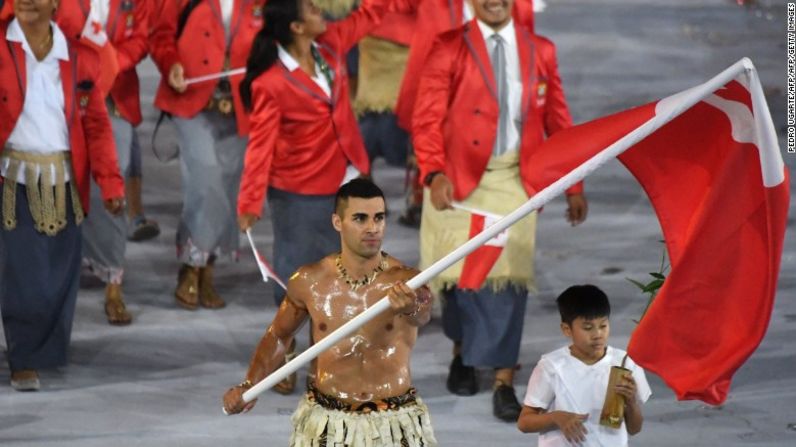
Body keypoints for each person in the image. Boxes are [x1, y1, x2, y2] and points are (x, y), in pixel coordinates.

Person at [411, 0, 588, 421]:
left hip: (514, 181)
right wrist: (433, 172)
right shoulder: (448, 47)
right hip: (455, 180)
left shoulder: (540, 49)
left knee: (507, 280)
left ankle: (505, 379)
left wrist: (574, 184)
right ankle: (462, 356)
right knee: (462, 277)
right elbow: (427, 117)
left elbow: (559, 121)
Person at [224, 179, 437, 447]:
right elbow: (279, 334)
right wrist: (249, 384)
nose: (373, 228)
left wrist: (411, 307)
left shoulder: (408, 281)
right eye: (360, 218)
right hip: (327, 419)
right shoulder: (310, 281)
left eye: (379, 218)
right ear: (338, 222)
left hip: (392, 420)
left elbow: (424, 313)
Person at [0, 0, 124, 390]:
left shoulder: (79, 56)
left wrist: (112, 182)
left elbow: (98, 125)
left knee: (58, 277)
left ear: (56, 3)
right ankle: (24, 358)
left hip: (66, 183)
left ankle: (41, 351)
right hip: (12, 182)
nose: (27, 2)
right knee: (25, 278)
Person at [149, 0, 265, 310]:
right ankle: (191, 265)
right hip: (191, 100)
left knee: (227, 190)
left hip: (241, 107)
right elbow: (160, 34)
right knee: (206, 180)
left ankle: (206, 267)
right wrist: (170, 63)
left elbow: (278, 34)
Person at [393, 0, 534, 228]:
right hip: (436, 86)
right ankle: (423, 193)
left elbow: (527, 57)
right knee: (433, 134)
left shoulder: (518, 6)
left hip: (491, 107)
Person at [64, 0, 149, 325]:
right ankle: (66, 273)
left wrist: (111, 63)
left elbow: (141, 37)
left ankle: (114, 284)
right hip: (68, 96)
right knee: (66, 187)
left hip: (116, 99)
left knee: (113, 185)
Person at [517, 285, 652, 446]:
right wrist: (556, 417)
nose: (597, 335)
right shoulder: (551, 366)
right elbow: (524, 423)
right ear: (567, 329)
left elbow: (635, 428)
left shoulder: (625, 362)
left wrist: (631, 402)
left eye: (603, 326)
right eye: (588, 328)